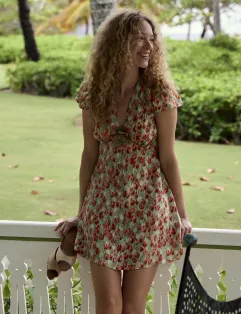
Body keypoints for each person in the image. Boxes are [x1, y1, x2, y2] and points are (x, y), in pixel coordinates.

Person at [55, 8, 192, 314]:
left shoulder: (159, 93)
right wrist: (82, 213)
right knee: (109, 305)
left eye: (151, 39)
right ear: (117, 44)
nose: (148, 46)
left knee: (131, 308)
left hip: (147, 208)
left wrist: (181, 215)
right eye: (138, 38)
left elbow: (168, 158)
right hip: (103, 208)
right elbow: (89, 155)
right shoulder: (93, 94)